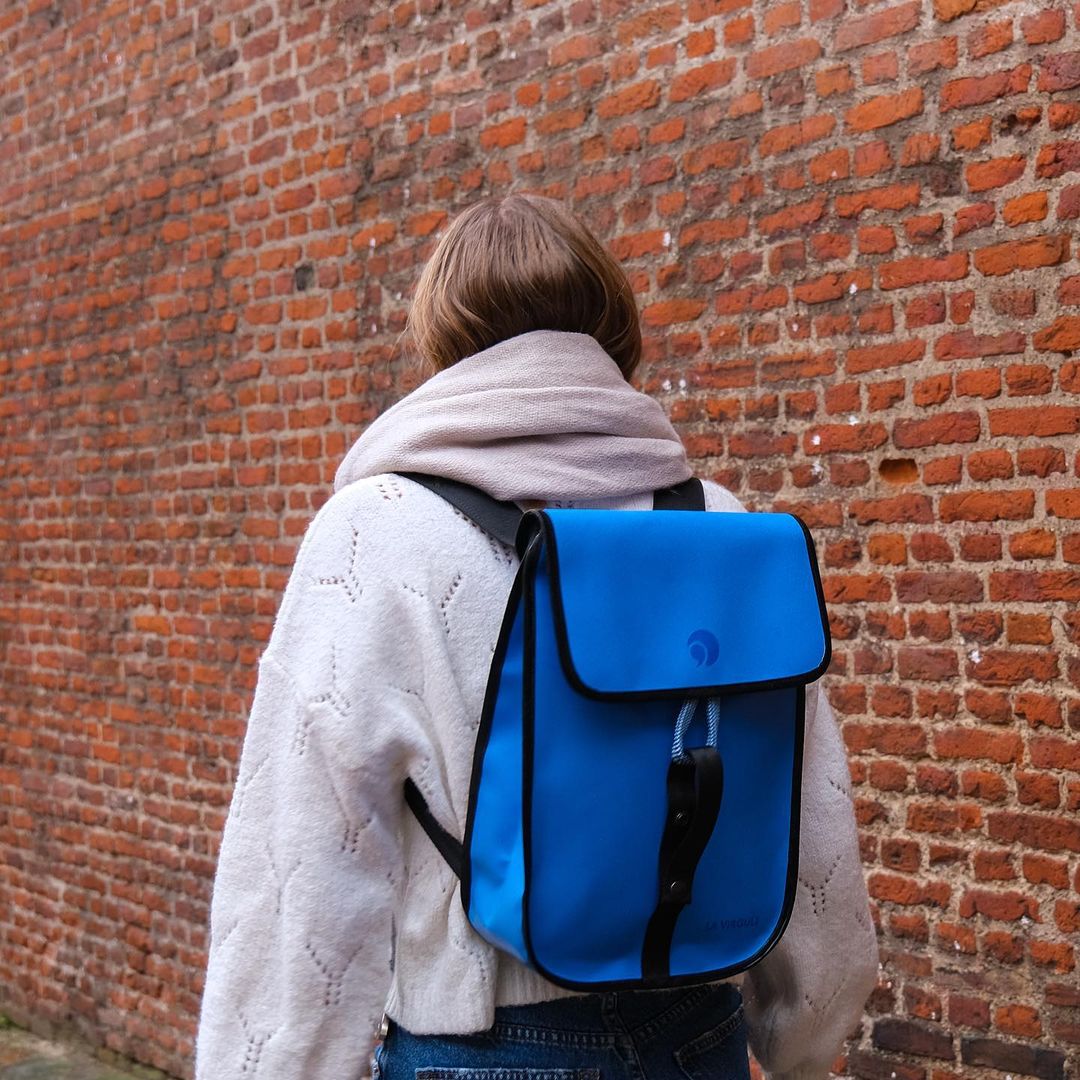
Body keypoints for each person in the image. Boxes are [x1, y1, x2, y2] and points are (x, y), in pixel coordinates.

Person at [194, 192, 879, 1080]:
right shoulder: (721, 528)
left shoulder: (374, 535)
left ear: (443, 343)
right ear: (609, 327)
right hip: (699, 1036)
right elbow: (806, 821)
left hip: (479, 1050)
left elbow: (302, 875)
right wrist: (799, 1043)